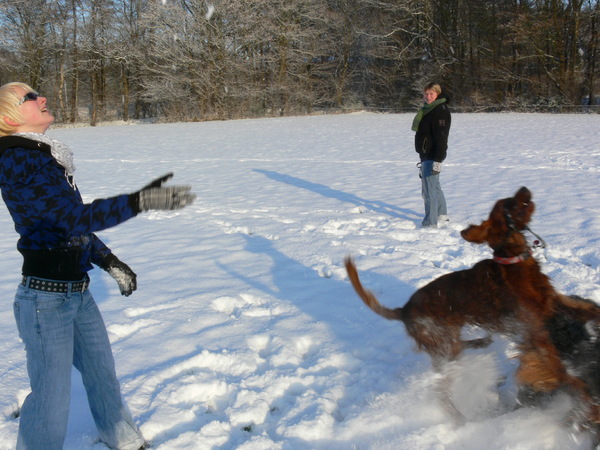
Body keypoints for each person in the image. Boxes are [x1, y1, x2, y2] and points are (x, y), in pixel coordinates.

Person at [0, 82, 196, 450]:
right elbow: (71, 218)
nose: (41, 98)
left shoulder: (41, 156)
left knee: (102, 376)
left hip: (77, 293)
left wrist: (108, 260)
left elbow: (70, 227)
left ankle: (124, 441)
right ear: (9, 117)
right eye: (30, 97)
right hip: (45, 300)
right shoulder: (17, 158)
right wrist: (138, 201)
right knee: (51, 399)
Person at [411, 82, 451, 228]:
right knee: (435, 186)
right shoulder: (429, 109)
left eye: (431, 94)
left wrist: (438, 159)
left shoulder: (439, 110)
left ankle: (430, 222)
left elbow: (441, 136)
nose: (428, 97)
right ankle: (441, 215)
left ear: (437, 94)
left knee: (429, 190)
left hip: (432, 154)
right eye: (426, 94)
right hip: (426, 153)